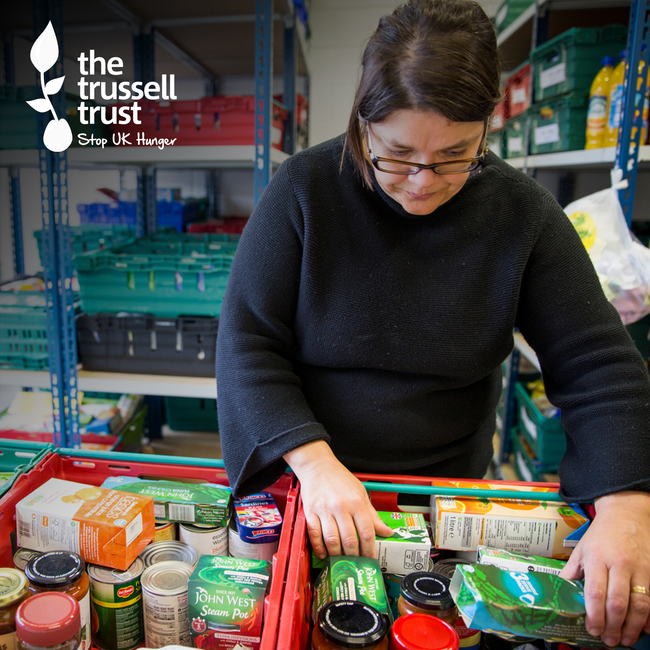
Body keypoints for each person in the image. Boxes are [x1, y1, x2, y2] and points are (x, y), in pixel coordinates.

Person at [215, 0, 650, 646]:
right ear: (363, 121)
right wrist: (314, 463)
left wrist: (627, 503)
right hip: (312, 487)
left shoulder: (520, 213)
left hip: (445, 503)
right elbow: (247, 343)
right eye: (396, 154)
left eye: (454, 156)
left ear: (487, 128)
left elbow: (598, 364)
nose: (422, 182)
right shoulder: (303, 190)